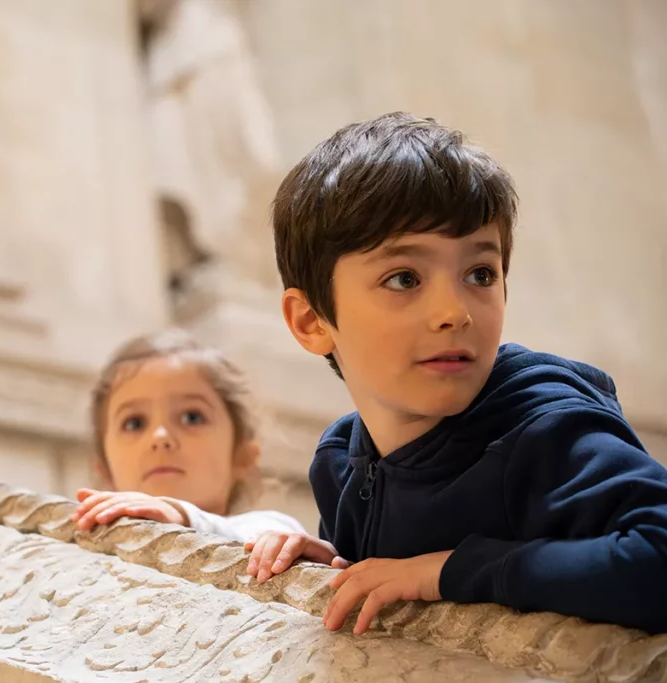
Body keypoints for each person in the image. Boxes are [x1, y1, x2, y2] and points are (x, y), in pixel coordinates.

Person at [244, 112, 667, 635]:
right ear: (312, 322)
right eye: (404, 278)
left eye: (479, 274)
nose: (455, 311)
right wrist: (325, 562)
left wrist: (448, 571)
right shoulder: (339, 465)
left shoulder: (543, 429)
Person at [0, 329, 304, 542]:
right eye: (133, 422)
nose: (160, 436)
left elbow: (278, 545)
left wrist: (179, 516)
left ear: (244, 456)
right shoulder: (79, 535)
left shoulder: (267, 528)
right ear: (103, 470)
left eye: (191, 417)